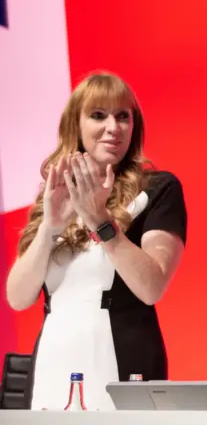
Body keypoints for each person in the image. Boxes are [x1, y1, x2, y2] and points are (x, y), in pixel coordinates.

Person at [5, 71, 187, 411]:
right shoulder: (55, 192)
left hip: (124, 366)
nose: (113, 127)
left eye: (123, 116)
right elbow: (17, 297)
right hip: (52, 366)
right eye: (98, 115)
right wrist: (50, 227)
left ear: (135, 126)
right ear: (76, 124)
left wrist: (100, 221)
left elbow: (151, 287)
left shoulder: (158, 189)